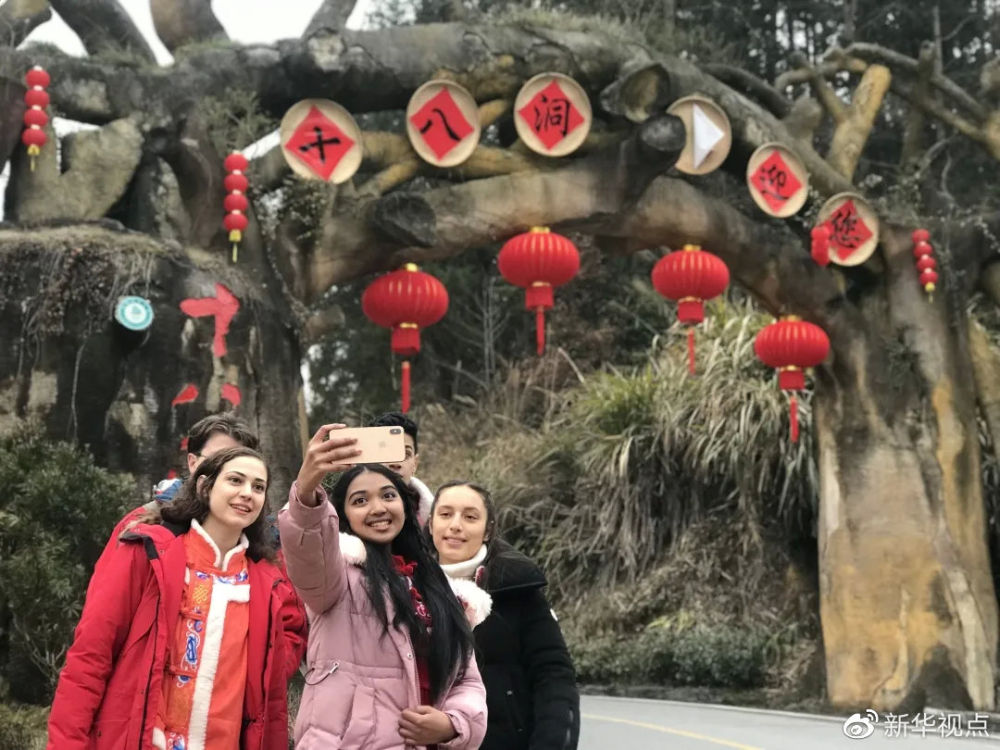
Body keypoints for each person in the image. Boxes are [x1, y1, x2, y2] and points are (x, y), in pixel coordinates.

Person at [47, 446, 307, 750]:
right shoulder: (149, 554)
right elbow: (91, 657)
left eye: (258, 487)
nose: (247, 493)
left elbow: (289, 642)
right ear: (204, 486)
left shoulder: (267, 582)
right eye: (235, 480)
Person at [278, 424, 488, 749]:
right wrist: (306, 491)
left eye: (388, 496)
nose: (378, 508)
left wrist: (452, 724)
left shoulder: (436, 587)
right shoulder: (335, 575)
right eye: (360, 500)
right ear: (342, 515)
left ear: (405, 505)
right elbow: (309, 551)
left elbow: (467, 680)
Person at [429, 481, 580, 750]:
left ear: (488, 531)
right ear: (430, 524)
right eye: (445, 514)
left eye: (470, 517)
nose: (455, 525)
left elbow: (553, 676)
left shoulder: (518, 589)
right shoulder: (404, 586)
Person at [103, 413, 259, 556]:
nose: (226, 471)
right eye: (216, 460)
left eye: (238, 464)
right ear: (192, 462)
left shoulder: (262, 539)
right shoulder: (141, 525)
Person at [369, 411, 434, 525]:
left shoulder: (437, 525)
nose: (395, 463)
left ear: (415, 464)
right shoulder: (339, 519)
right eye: (385, 453)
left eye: (405, 454)